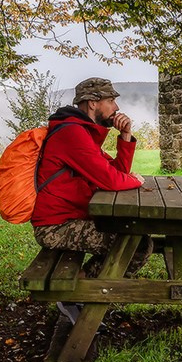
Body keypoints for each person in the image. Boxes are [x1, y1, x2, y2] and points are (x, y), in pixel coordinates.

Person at [31, 78, 154, 319]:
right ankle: (80, 296)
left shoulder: (80, 131)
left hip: (70, 218)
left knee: (136, 241)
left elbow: (116, 173)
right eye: (110, 100)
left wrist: (126, 135)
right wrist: (137, 181)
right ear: (92, 104)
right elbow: (112, 180)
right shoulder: (72, 134)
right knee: (135, 245)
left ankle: (81, 291)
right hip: (56, 226)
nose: (116, 107)